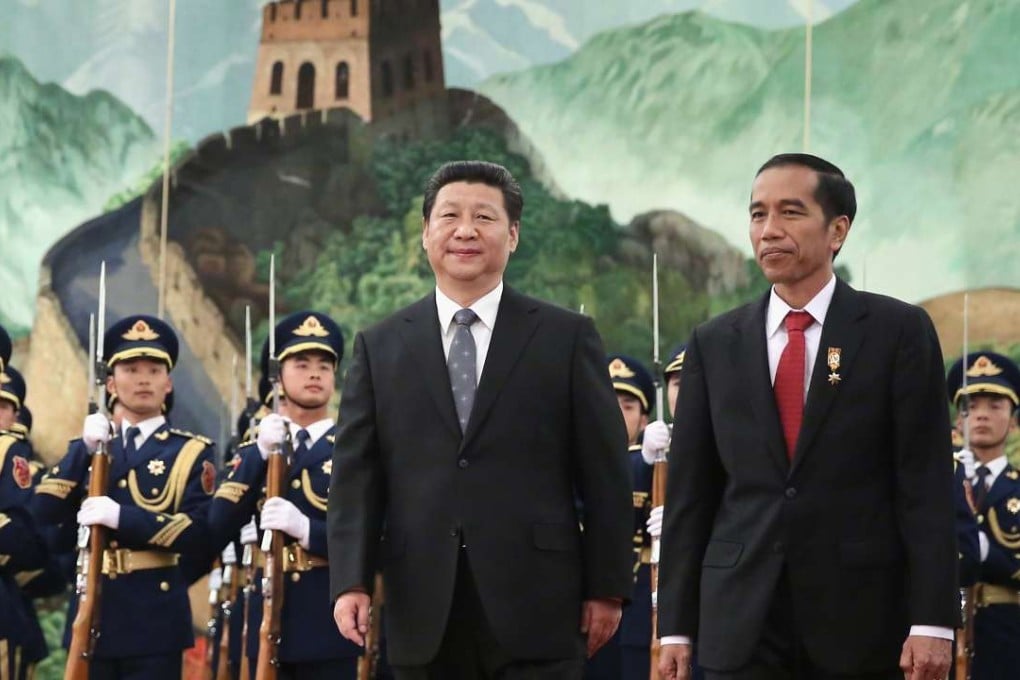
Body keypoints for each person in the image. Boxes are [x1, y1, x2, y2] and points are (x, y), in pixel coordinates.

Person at [657, 153, 958, 680]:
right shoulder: (715, 342)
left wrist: (933, 620)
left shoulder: (897, 332)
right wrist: (675, 628)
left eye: (790, 212)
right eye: (758, 214)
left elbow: (925, 485)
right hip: (742, 617)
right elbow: (691, 495)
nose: (769, 230)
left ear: (837, 230)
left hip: (861, 618)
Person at [328, 160, 633, 679]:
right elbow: (356, 476)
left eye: (484, 217)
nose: (465, 231)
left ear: (512, 235)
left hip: (539, 605)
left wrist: (607, 586)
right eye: (450, 216)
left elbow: (604, 473)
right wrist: (350, 581)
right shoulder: (380, 346)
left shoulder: (565, 338)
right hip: (422, 604)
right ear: (426, 233)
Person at [33, 314, 216, 679]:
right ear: (112, 383)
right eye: (131, 369)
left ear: (168, 383)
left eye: (154, 370)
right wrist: (83, 450)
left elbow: (199, 532)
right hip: (93, 607)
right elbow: (43, 511)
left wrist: (122, 517)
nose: (143, 379)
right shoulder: (90, 448)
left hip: (155, 617)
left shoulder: (191, 452)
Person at [209, 310, 362, 679]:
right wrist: (259, 454)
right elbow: (216, 525)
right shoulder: (256, 451)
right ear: (277, 378)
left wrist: (309, 531)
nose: (315, 374)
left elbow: (376, 536)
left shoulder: (355, 449)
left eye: (324, 365)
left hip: (328, 623)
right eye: (302, 364)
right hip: (265, 620)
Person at [946, 351, 1020, 678]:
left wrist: (980, 546)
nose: (981, 416)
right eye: (970, 407)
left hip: (1005, 636)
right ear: (958, 421)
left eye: (994, 406)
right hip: (945, 630)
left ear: (1013, 420)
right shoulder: (940, 483)